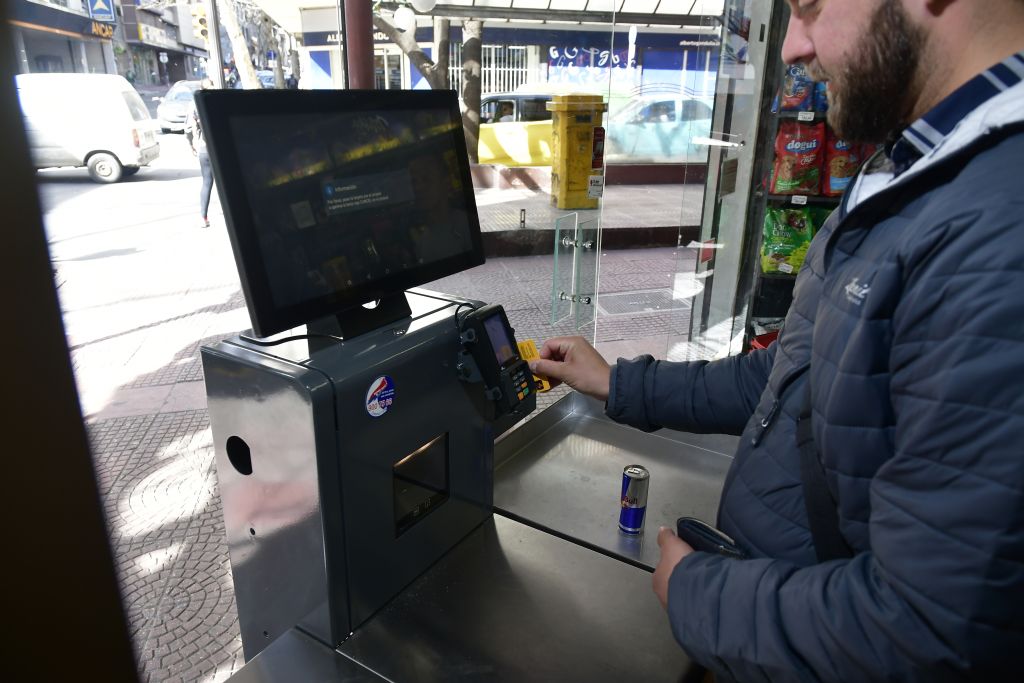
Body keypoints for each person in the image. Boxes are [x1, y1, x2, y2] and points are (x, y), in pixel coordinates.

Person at [530, 1, 1024, 679]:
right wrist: (618, 381)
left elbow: (926, 632)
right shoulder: (917, 170)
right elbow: (790, 379)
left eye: (812, 7)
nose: (791, 46)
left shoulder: (999, 232)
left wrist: (698, 593)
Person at [186, 78, 215, 228]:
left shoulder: (194, 105)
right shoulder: (216, 101)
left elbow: (189, 129)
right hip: (216, 148)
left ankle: (203, 217)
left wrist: (192, 144)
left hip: (204, 148)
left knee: (207, 182)